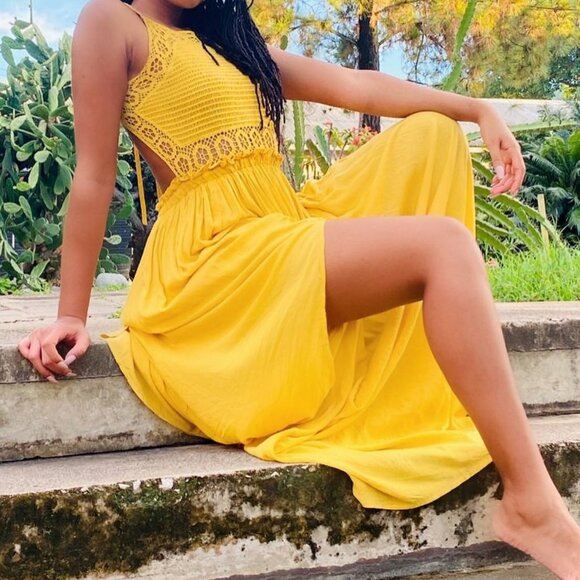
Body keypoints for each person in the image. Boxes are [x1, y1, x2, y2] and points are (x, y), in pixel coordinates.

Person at [18, 0, 580, 577]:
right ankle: (531, 501)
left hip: (280, 228)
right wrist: (72, 314)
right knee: (446, 247)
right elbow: (93, 176)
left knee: (434, 134)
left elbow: (357, 85)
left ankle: (524, 490)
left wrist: (477, 110)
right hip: (214, 260)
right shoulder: (113, 23)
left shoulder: (233, 43)